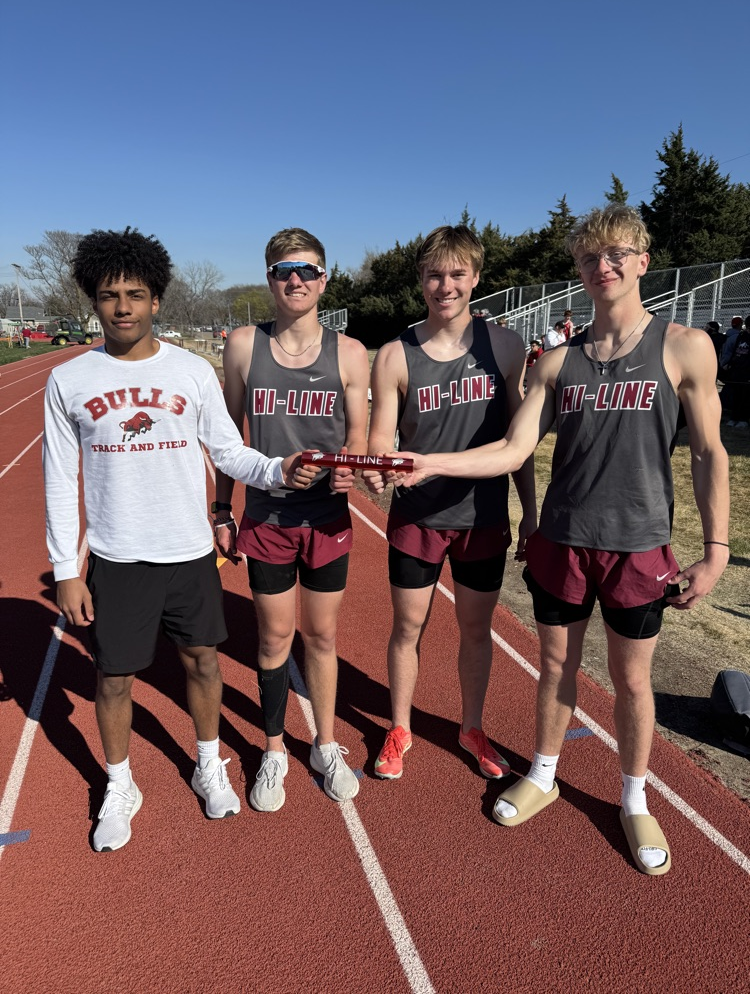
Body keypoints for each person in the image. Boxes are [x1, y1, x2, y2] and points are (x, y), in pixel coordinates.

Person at [391, 205, 730, 875]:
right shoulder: (555, 363)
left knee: (632, 680)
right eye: (589, 257)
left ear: (642, 262)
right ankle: (543, 775)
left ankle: (634, 799)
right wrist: (429, 463)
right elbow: (512, 449)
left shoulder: (684, 346)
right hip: (563, 542)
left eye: (616, 255)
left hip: (638, 546)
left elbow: (708, 452)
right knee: (554, 667)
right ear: (578, 269)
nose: (603, 267)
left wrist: (717, 549)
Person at [43, 228, 313, 852]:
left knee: (204, 662)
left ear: (157, 299)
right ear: (93, 300)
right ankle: (120, 785)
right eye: (109, 295)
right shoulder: (69, 380)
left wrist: (279, 471)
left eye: (135, 294)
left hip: (189, 552)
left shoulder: (191, 372)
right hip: (117, 556)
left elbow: (228, 451)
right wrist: (65, 569)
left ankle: (208, 763)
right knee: (113, 678)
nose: (123, 307)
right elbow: (59, 478)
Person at [364, 225, 536, 783]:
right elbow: (381, 439)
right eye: (435, 275)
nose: (446, 285)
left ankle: (472, 727)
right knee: (407, 626)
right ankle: (399, 726)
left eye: (458, 274)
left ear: (476, 277)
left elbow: (519, 442)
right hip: (418, 518)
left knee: (476, 629)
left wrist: (530, 512)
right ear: (421, 280)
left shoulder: (505, 346)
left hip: (482, 517)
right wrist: (378, 467)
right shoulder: (395, 355)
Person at [214, 228, 370, 811]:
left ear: (324, 279)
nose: (296, 280)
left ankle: (325, 745)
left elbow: (357, 439)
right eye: (284, 270)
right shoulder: (242, 345)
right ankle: (275, 748)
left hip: (327, 519)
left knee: (322, 636)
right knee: (275, 637)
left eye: (306, 270)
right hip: (267, 518)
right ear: (270, 279)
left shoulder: (350, 353)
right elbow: (227, 439)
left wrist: (348, 469)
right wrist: (221, 508)